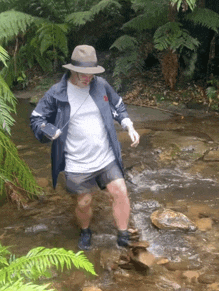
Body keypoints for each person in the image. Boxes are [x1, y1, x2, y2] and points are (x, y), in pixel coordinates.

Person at [30, 45, 140, 250]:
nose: (87, 78)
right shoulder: (57, 92)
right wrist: (49, 130)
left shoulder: (101, 86)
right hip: (76, 162)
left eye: (91, 73)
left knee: (120, 191)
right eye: (83, 73)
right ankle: (85, 231)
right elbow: (36, 119)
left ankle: (123, 235)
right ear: (72, 69)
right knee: (84, 202)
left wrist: (129, 125)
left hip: (105, 157)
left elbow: (118, 106)